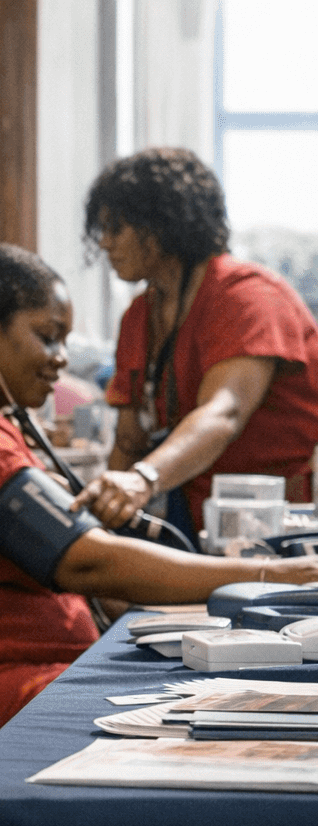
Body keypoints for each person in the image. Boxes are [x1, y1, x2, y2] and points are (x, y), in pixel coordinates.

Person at [0, 244, 318, 761]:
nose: (61, 356)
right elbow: (85, 560)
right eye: (46, 336)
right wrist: (275, 576)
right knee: (164, 711)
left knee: (194, 683)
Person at [80, 146, 318, 535]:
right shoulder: (139, 316)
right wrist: (99, 526)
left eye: (116, 228)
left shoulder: (249, 296)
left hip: (266, 533)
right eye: (101, 230)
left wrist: (142, 480)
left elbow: (223, 413)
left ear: (161, 226)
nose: (104, 243)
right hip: (183, 521)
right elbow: (128, 442)